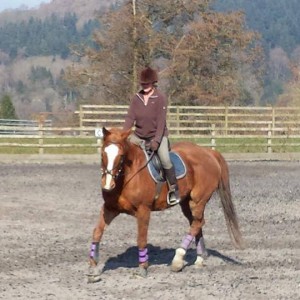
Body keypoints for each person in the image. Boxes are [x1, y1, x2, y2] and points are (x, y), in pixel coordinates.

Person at [123, 66, 180, 206]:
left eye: (147, 84)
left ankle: (173, 189)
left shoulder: (160, 98)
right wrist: (122, 135)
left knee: (165, 160)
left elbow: (161, 122)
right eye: (143, 84)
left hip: (157, 135)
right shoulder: (136, 98)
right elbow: (130, 118)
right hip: (139, 136)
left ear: (153, 83)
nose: (145, 86)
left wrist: (156, 140)